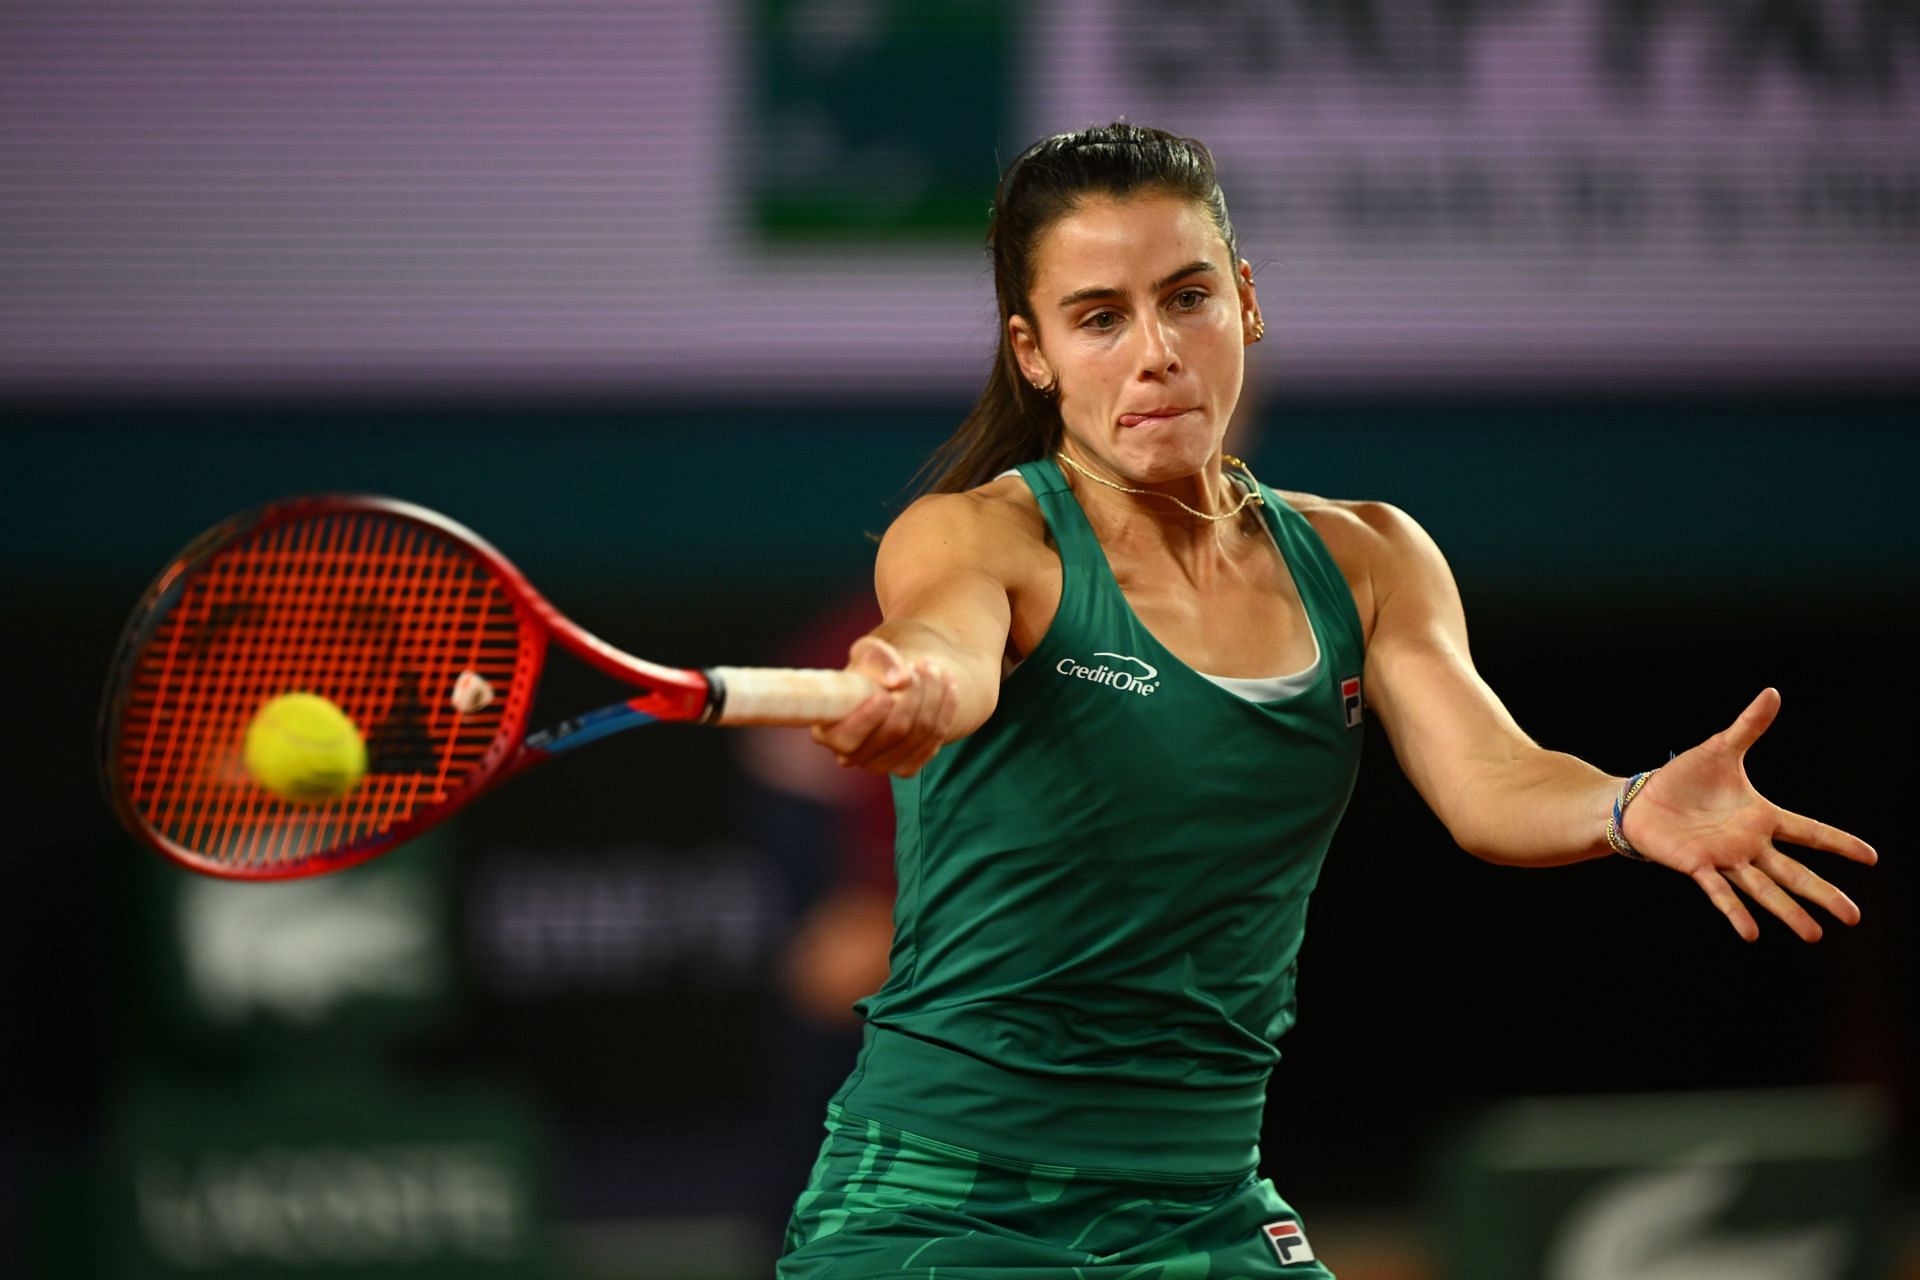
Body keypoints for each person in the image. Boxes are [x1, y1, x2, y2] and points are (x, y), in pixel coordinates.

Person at [774, 122, 1876, 1279]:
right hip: (945, 1201)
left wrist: (1630, 800)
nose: (1155, 352)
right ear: (1033, 351)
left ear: (1244, 301)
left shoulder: (1369, 558)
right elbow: (943, 645)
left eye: (1186, 297)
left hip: (1203, 1202)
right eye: (1099, 317)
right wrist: (916, 686)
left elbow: (1493, 779)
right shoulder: (978, 533)